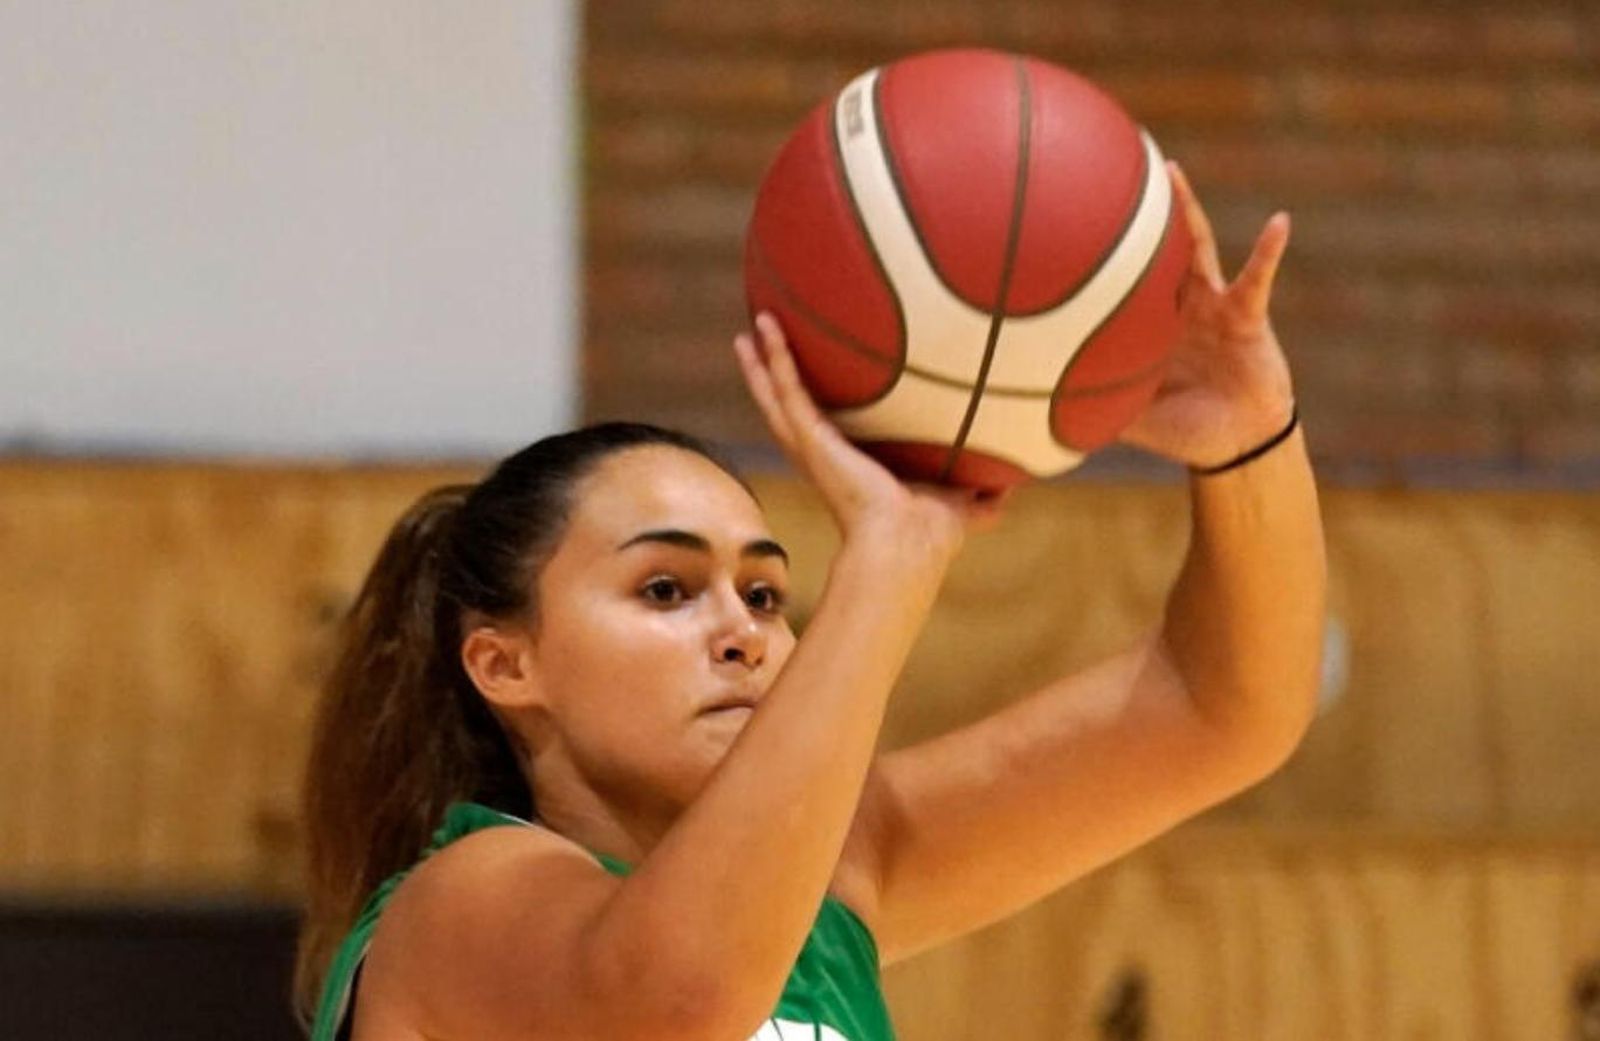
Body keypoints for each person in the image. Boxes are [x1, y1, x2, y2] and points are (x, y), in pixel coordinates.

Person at [294, 163, 1325, 1041]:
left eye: (766, 593)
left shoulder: (841, 869)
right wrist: (889, 558)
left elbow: (1221, 708)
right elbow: (678, 1005)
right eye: (666, 588)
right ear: (505, 663)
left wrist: (1249, 438)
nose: (743, 633)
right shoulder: (458, 902)